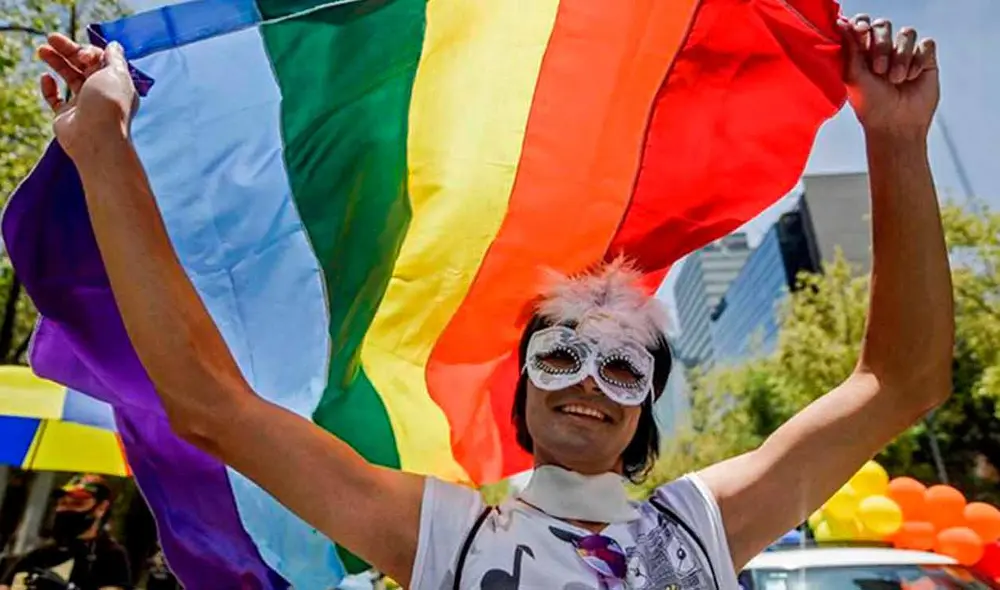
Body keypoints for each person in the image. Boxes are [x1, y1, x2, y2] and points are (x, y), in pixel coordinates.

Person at [32, 11, 952, 588]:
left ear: (646, 408)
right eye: (561, 355)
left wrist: (896, 138)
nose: (589, 381)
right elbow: (211, 406)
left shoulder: (706, 524)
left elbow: (902, 381)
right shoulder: (443, 534)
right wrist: (104, 148)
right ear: (524, 391)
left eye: (625, 365)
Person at [0, 475, 131, 590]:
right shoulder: (41, 554)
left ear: (101, 508)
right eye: (63, 503)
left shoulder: (110, 555)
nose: (67, 510)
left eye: (77, 503)